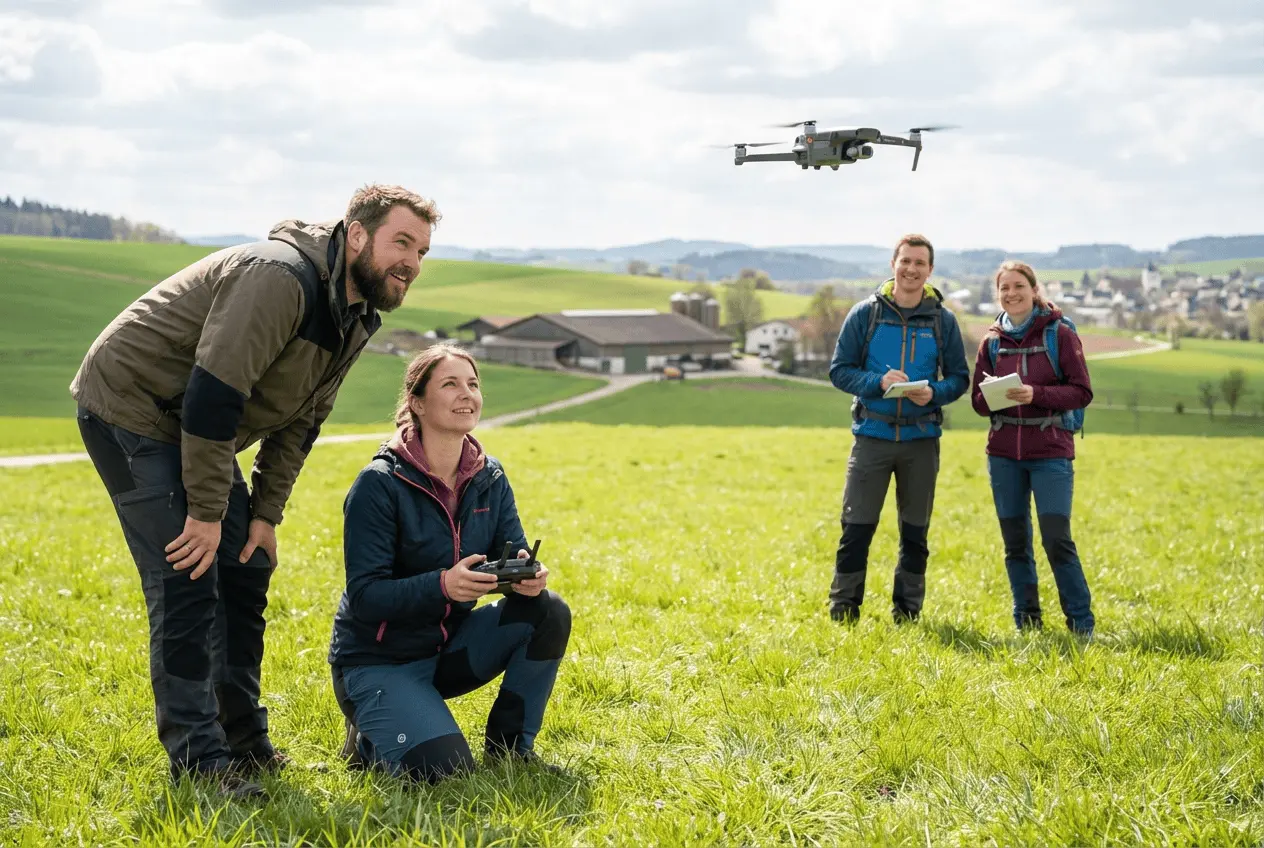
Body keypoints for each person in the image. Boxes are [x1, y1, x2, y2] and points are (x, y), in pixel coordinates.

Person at [70, 184, 440, 798]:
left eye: (423, 251)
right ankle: (199, 761)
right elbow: (213, 396)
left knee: (245, 567)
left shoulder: (354, 312)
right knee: (187, 576)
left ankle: (242, 740)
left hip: (194, 425)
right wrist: (209, 513)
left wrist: (264, 514)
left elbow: (303, 420)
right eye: (401, 242)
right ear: (355, 234)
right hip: (133, 409)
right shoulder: (278, 278)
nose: (412, 263)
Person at [328, 343, 571, 783]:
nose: (468, 394)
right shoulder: (378, 485)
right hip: (379, 660)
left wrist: (524, 576)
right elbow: (365, 597)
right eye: (451, 384)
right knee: (447, 774)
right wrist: (442, 585)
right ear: (417, 403)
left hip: (447, 649)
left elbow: (510, 549)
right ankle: (369, 734)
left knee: (548, 609)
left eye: (473, 384)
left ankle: (512, 749)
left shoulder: (488, 475)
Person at [826, 234, 971, 623]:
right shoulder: (865, 314)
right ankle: (843, 610)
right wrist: (877, 383)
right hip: (871, 437)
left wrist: (934, 393)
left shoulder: (943, 321)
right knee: (856, 527)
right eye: (905, 261)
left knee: (914, 533)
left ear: (930, 270)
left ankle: (907, 614)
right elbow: (839, 371)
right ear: (893, 264)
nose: (911, 269)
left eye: (919, 263)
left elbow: (959, 378)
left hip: (921, 441)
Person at [970, 261, 1095, 635]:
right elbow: (977, 401)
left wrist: (1034, 394)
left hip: (1051, 451)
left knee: (1057, 539)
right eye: (1004, 288)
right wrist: (995, 396)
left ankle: (1081, 624)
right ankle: (1027, 621)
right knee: (1015, 542)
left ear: (1033, 289)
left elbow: (1082, 391)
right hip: (1004, 452)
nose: (1011, 293)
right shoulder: (991, 341)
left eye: (1018, 286)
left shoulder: (1060, 334)